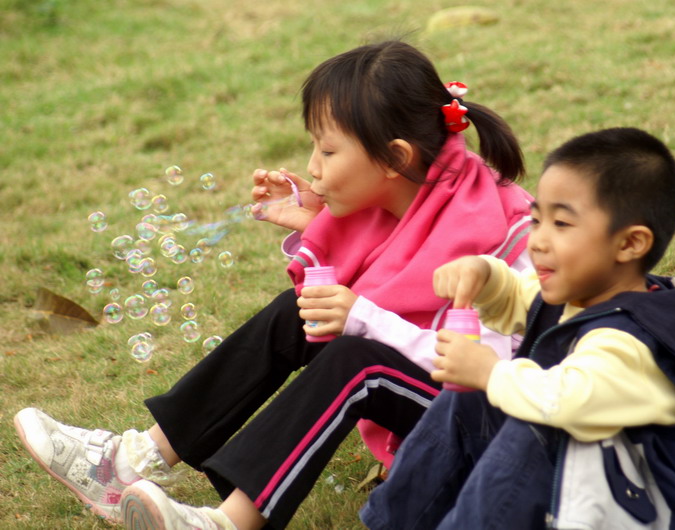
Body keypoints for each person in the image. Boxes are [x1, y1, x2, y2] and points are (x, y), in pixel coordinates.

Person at [14, 40, 533, 529]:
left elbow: (484, 374)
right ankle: (132, 460)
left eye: (328, 152)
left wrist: (363, 318)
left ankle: (226, 522)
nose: (313, 164)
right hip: (447, 398)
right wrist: (324, 222)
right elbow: (398, 266)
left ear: (395, 159)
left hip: (495, 424)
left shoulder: (493, 231)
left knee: (359, 361)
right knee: (298, 310)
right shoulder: (431, 189)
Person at [360, 127, 675, 529]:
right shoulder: (582, 298)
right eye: (536, 220)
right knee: (471, 398)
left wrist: (490, 371)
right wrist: (484, 274)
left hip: (653, 506)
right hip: (594, 487)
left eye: (561, 225)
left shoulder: (633, 342)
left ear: (630, 244)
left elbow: (566, 400)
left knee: (537, 419)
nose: (538, 240)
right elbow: (521, 297)